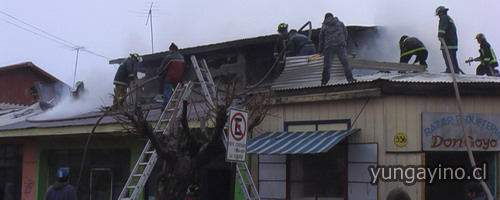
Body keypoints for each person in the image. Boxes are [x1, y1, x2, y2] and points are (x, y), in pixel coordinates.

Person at [319, 12, 356, 85]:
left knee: (327, 65)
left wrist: (320, 50)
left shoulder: (324, 26)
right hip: (340, 45)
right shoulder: (340, 23)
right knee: (345, 63)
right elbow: (346, 33)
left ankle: (324, 82)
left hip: (329, 46)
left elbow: (321, 40)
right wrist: (342, 41)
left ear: (325, 18)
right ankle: (350, 78)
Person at [435, 6, 464, 74]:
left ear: (440, 12)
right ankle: (455, 70)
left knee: (448, 57)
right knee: (453, 59)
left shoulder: (444, 17)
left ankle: (450, 70)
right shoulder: (448, 18)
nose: (438, 15)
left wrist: (440, 35)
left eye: (438, 13)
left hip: (447, 42)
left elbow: (443, 27)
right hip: (452, 42)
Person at [158, 43, 185, 110]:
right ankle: (179, 103)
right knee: (177, 91)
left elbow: (163, 67)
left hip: (170, 78)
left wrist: (160, 73)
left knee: (167, 92)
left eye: (170, 50)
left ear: (173, 50)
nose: (169, 51)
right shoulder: (182, 57)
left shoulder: (169, 57)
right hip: (179, 78)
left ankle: (165, 106)